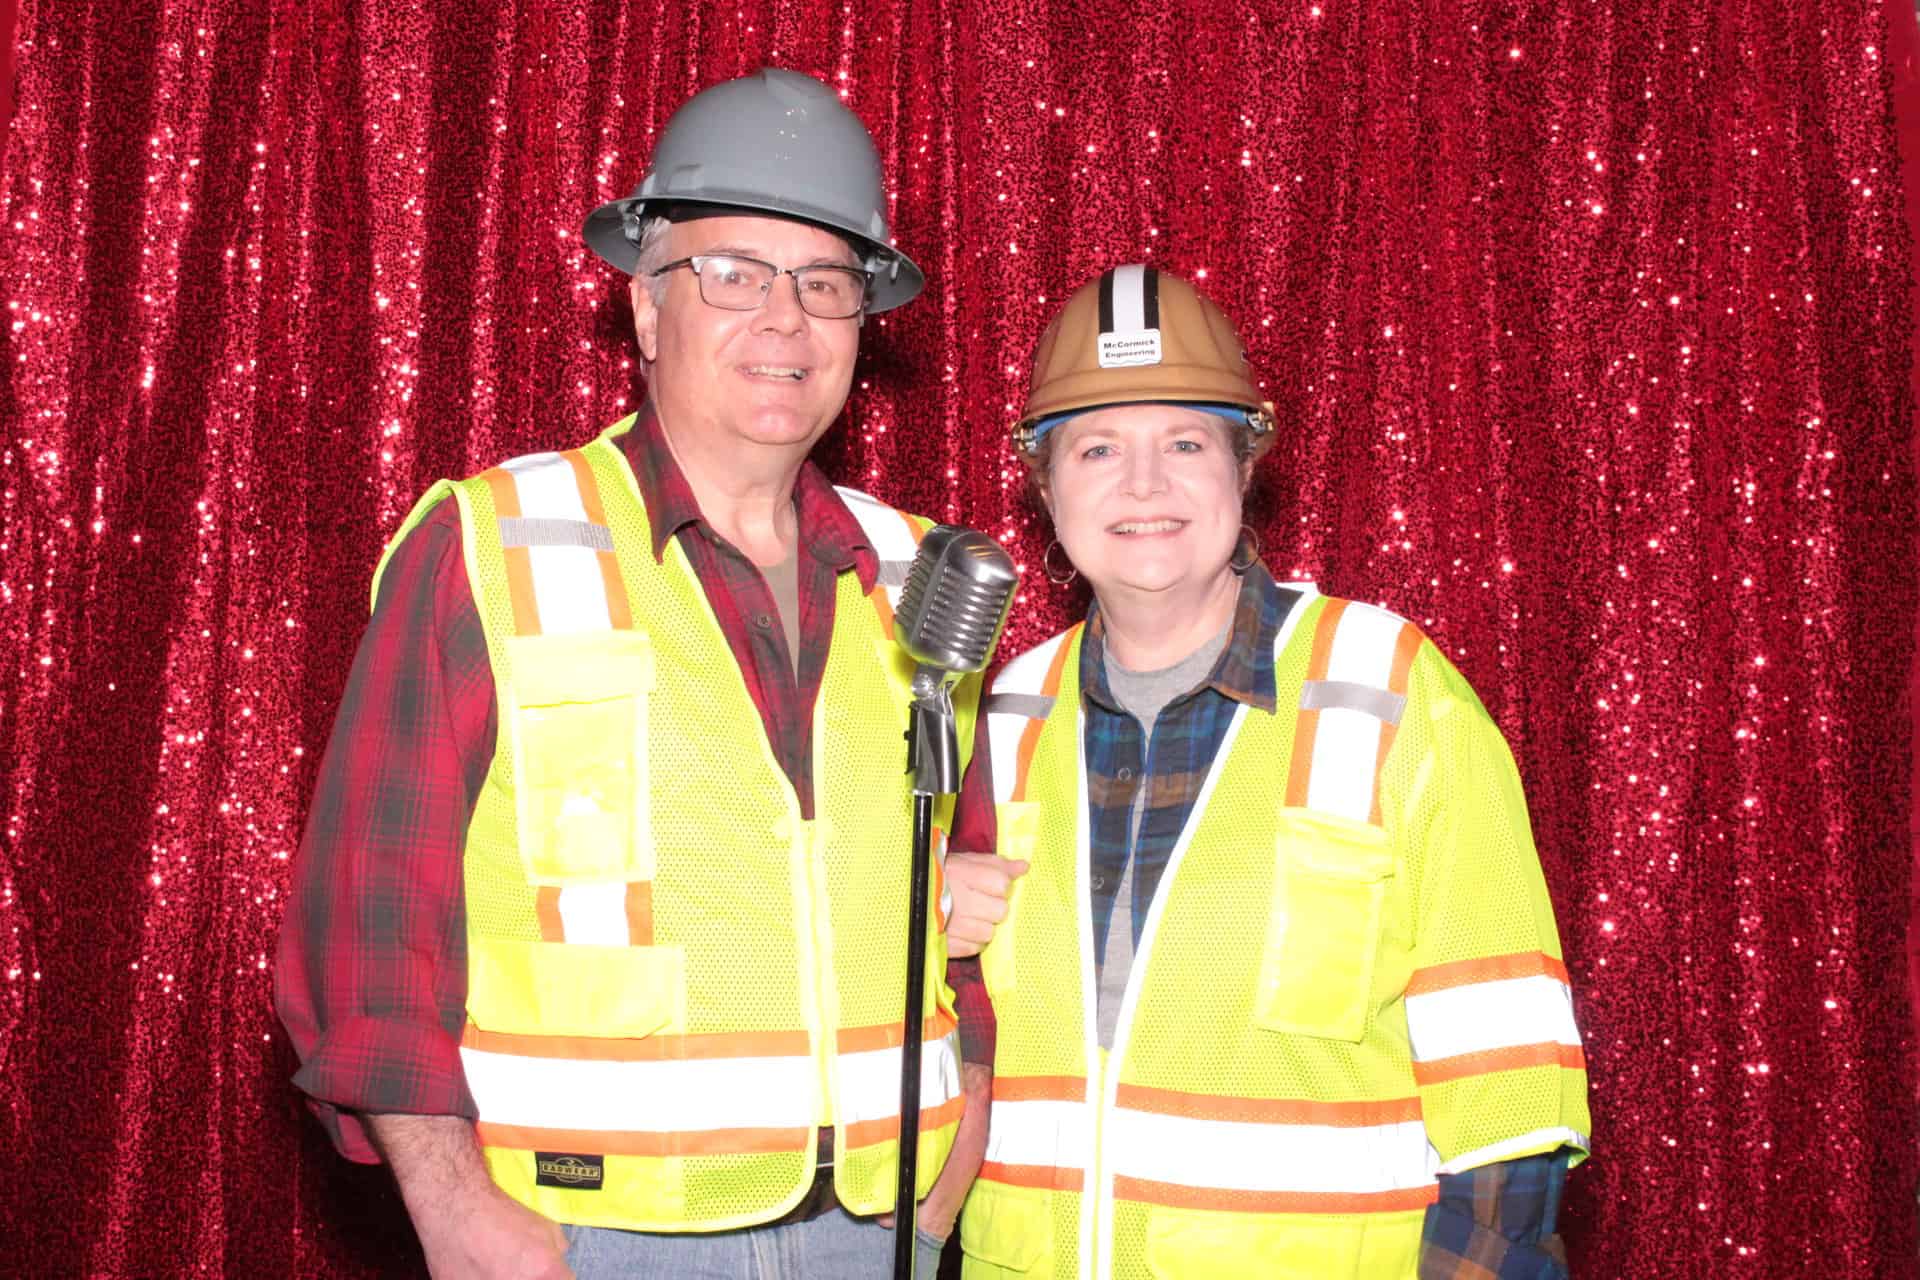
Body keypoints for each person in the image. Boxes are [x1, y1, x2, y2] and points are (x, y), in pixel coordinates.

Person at [275, 68, 988, 1280]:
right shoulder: (492, 544)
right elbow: (370, 914)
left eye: (825, 282)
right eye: (734, 274)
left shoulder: (921, 571)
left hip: (879, 1231)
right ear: (648, 309)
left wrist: (952, 1169)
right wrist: (449, 1204)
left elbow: (964, 904)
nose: (786, 321)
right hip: (585, 1236)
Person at [941, 265, 1591, 1278]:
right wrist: (923, 937)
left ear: (1244, 469)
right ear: (1046, 485)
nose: (1143, 484)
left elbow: (1508, 1079)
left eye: (1185, 443)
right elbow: (933, 1055)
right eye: (1098, 446)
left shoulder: (1389, 686)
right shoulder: (996, 712)